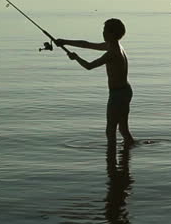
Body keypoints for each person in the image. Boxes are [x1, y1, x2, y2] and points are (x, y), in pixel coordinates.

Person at [55, 18, 135, 148]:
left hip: (118, 95)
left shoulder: (112, 52)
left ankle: (111, 161)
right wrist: (64, 42)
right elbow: (85, 44)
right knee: (123, 129)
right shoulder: (113, 45)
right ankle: (125, 159)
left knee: (110, 131)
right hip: (125, 91)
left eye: (105, 31)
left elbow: (89, 66)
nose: (103, 33)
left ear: (113, 33)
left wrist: (76, 58)